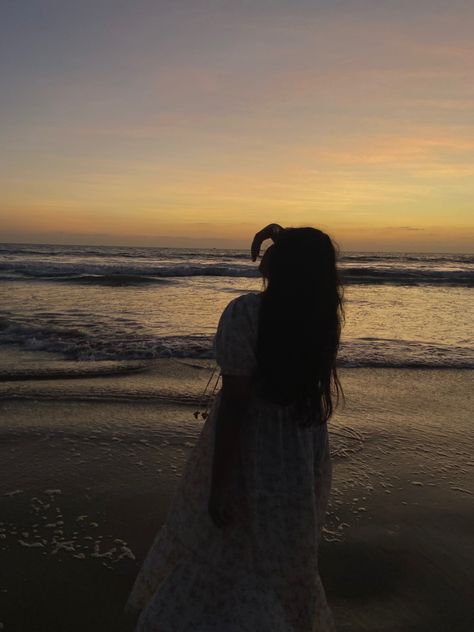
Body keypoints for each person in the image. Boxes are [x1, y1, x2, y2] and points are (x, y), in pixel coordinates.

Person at [125, 224, 344, 631]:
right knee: (278, 551)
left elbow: (238, 405)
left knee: (221, 542)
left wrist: (218, 482)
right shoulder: (320, 321)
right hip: (298, 450)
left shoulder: (245, 313)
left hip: (248, 449)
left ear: (277, 263)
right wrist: (284, 236)